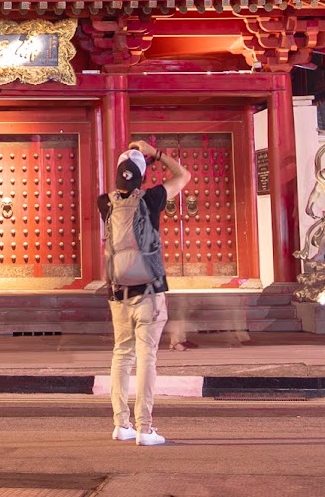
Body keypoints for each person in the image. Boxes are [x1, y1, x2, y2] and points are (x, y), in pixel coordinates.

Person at [97, 138, 188, 447]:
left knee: (121, 354)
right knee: (146, 356)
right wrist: (156, 154)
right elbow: (184, 176)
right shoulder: (152, 198)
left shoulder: (104, 202)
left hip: (117, 292)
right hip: (149, 292)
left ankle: (120, 424)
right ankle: (144, 428)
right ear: (142, 175)